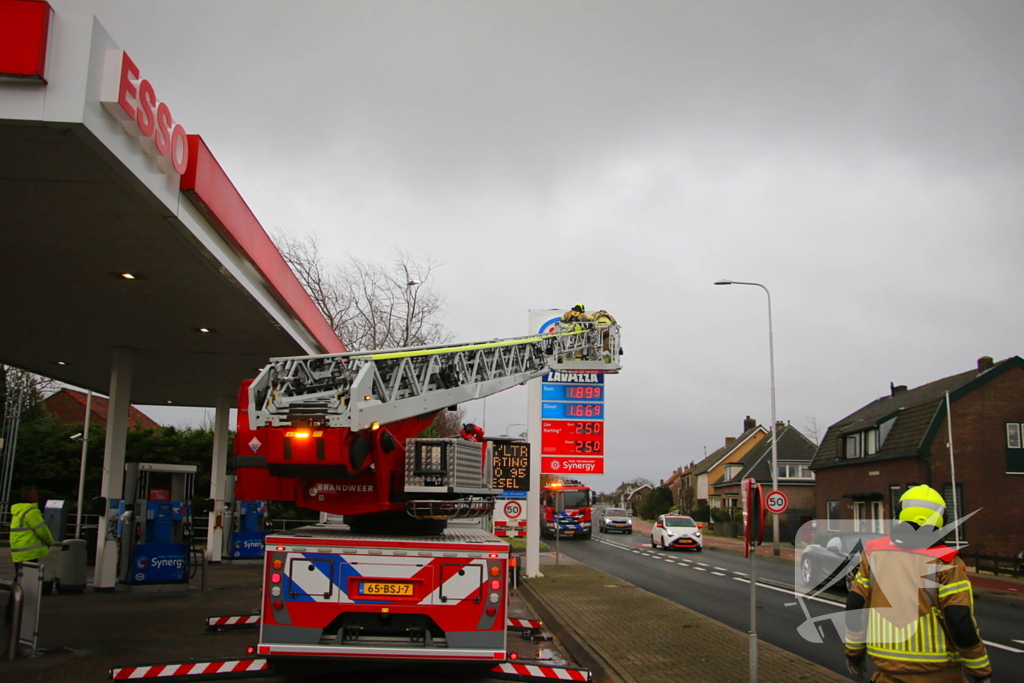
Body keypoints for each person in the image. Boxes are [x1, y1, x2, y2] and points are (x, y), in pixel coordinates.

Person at [844, 485, 992, 683]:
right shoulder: (946, 562)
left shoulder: (873, 555)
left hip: (886, 672)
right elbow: (959, 620)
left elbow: (856, 604)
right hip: (939, 674)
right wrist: (981, 670)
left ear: (900, 516)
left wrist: (854, 651)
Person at [9, 486, 55, 577]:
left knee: (20, 575)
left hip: (18, 549)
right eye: (35, 494)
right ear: (30, 496)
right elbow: (41, 531)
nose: (37, 496)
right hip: (29, 550)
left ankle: (17, 590)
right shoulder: (32, 511)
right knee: (28, 576)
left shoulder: (18, 511)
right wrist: (50, 542)